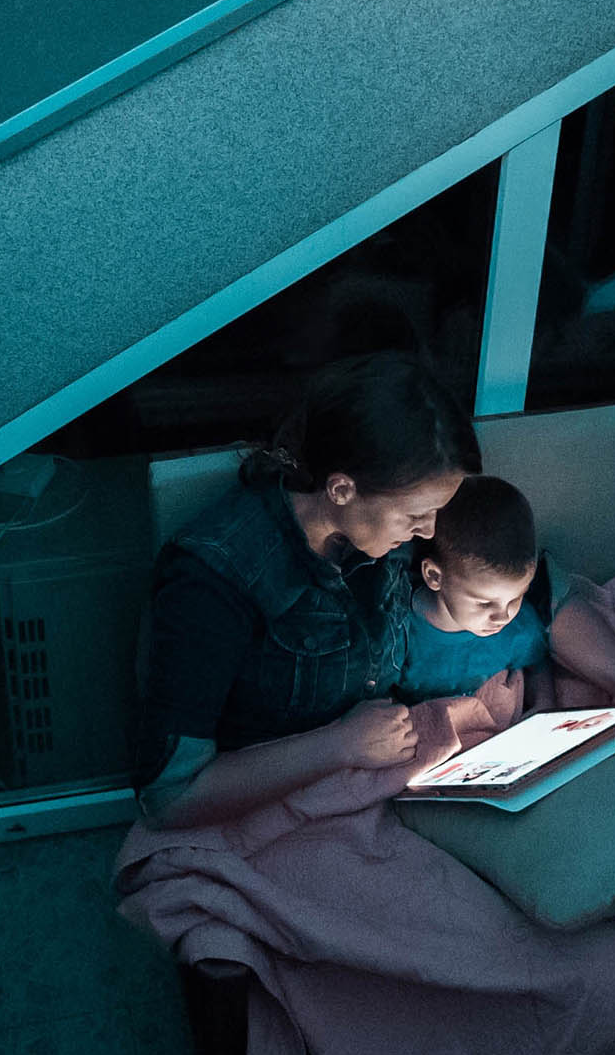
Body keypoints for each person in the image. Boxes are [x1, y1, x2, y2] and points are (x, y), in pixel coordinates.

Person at [137, 351, 476, 825]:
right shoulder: (214, 580)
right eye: (415, 515)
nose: (428, 530)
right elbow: (169, 796)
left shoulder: (377, 537)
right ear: (340, 489)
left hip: (375, 778)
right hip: (270, 803)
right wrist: (340, 745)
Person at [388, 475, 553, 729]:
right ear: (434, 576)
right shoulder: (397, 631)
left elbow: (537, 664)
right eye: (484, 604)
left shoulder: (519, 626)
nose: (502, 616)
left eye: (515, 598)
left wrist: (544, 705)